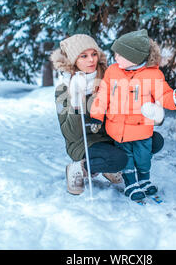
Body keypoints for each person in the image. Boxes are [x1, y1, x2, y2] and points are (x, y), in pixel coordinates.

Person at [50, 34, 166, 196]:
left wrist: (155, 112)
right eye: (83, 56)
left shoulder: (109, 76)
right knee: (118, 159)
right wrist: (78, 101)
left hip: (113, 135)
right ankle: (79, 168)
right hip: (85, 142)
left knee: (154, 141)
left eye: (94, 54)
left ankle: (111, 166)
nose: (91, 60)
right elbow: (71, 134)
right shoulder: (63, 89)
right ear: (72, 60)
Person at [89, 29, 176, 201]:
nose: (116, 58)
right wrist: (96, 115)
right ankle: (131, 184)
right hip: (118, 128)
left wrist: (175, 100)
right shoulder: (113, 71)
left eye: (120, 55)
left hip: (142, 128)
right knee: (126, 158)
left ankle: (144, 181)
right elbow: (103, 95)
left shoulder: (153, 74)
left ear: (133, 57)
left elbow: (163, 94)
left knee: (144, 158)